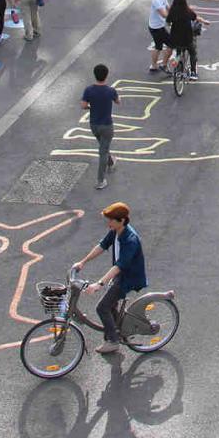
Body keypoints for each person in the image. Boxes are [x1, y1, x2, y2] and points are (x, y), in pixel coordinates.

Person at [72, 201, 148, 356]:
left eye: (111, 220)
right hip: (120, 275)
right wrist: (82, 262)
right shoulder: (116, 230)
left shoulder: (130, 239)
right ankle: (118, 330)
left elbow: (120, 266)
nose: (108, 223)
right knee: (110, 305)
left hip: (129, 278)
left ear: (121, 220)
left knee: (102, 307)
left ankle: (113, 341)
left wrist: (99, 284)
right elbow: (102, 246)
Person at [82, 63, 120, 190]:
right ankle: (100, 180)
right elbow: (118, 101)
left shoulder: (89, 90)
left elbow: (83, 105)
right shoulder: (110, 91)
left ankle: (111, 161)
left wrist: (91, 107)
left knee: (103, 145)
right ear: (106, 75)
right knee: (103, 151)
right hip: (107, 125)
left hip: (94, 125)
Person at [165, 0, 203, 78]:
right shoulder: (188, 11)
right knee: (192, 53)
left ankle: (177, 63)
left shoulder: (172, 12)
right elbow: (195, 17)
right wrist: (203, 21)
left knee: (178, 51)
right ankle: (193, 72)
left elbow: (168, 21)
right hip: (187, 38)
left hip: (175, 39)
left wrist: (171, 25)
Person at [147, 0, 174, 73]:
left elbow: (169, 9)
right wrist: (174, 19)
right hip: (156, 28)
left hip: (157, 26)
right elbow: (164, 14)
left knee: (158, 46)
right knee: (171, 44)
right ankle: (164, 65)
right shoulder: (156, 0)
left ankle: (153, 66)